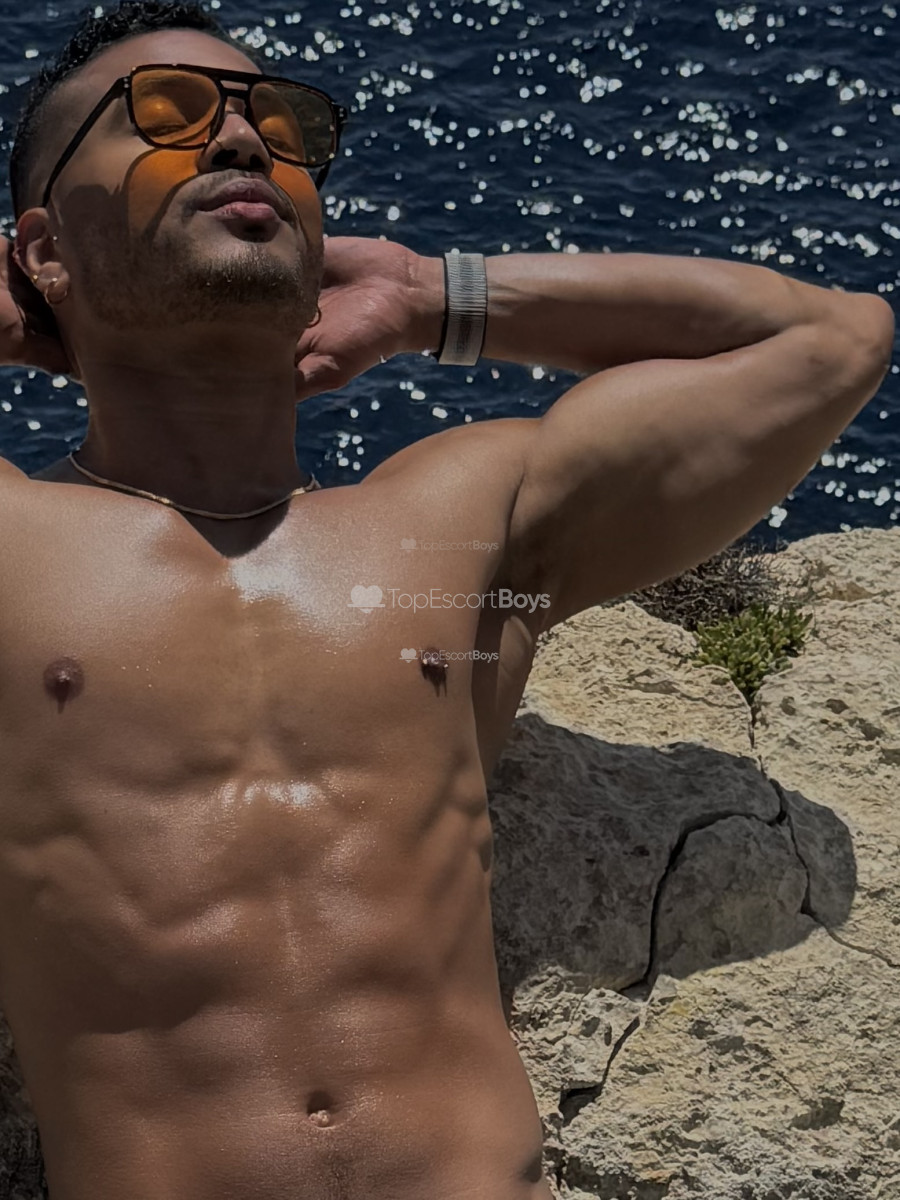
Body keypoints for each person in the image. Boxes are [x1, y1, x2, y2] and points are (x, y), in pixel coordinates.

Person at [0, 2, 893, 1198]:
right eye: (164, 113)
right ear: (43, 246)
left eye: (281, 126)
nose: (243, 141)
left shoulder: (456, 525)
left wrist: (431, 295)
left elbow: (831, 340)